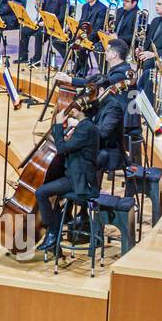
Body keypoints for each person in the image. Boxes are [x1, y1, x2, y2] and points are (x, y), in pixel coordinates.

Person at [35, 96, 100, 254]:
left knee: (41, 192)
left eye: (74, 109)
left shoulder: (85, 129)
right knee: (54, 197)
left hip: (79, 181)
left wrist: (57, 125)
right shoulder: (86, 126)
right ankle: (54, 235)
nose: (72, 111)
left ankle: (51, 233)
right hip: (76, 175)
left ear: (82, 110)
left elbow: (62, 148)